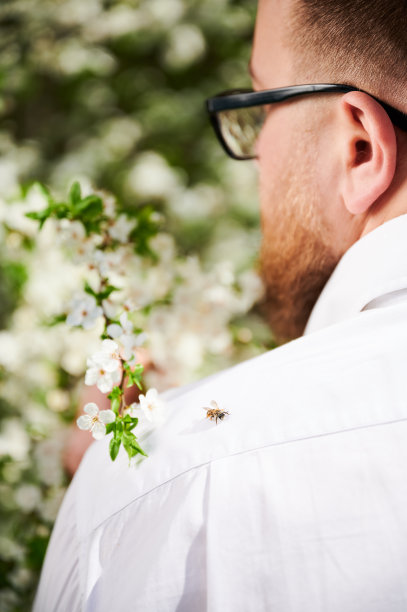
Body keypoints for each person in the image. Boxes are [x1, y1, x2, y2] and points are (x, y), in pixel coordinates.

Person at [34, 0, 407, 610]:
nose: (257, 155)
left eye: (258, 107)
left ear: (361, 148)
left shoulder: (168, 481)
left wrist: (115, 492)